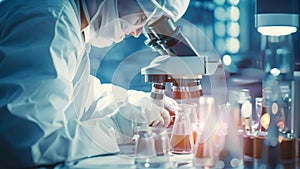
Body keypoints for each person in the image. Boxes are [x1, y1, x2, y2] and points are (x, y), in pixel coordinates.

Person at [0, 0, 190, 168]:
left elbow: (80, 102)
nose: (137, 32)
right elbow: (34, 144)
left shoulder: (70, 20)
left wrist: (135, 103)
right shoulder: (51, 20)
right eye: (140, 17)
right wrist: (117, 125)